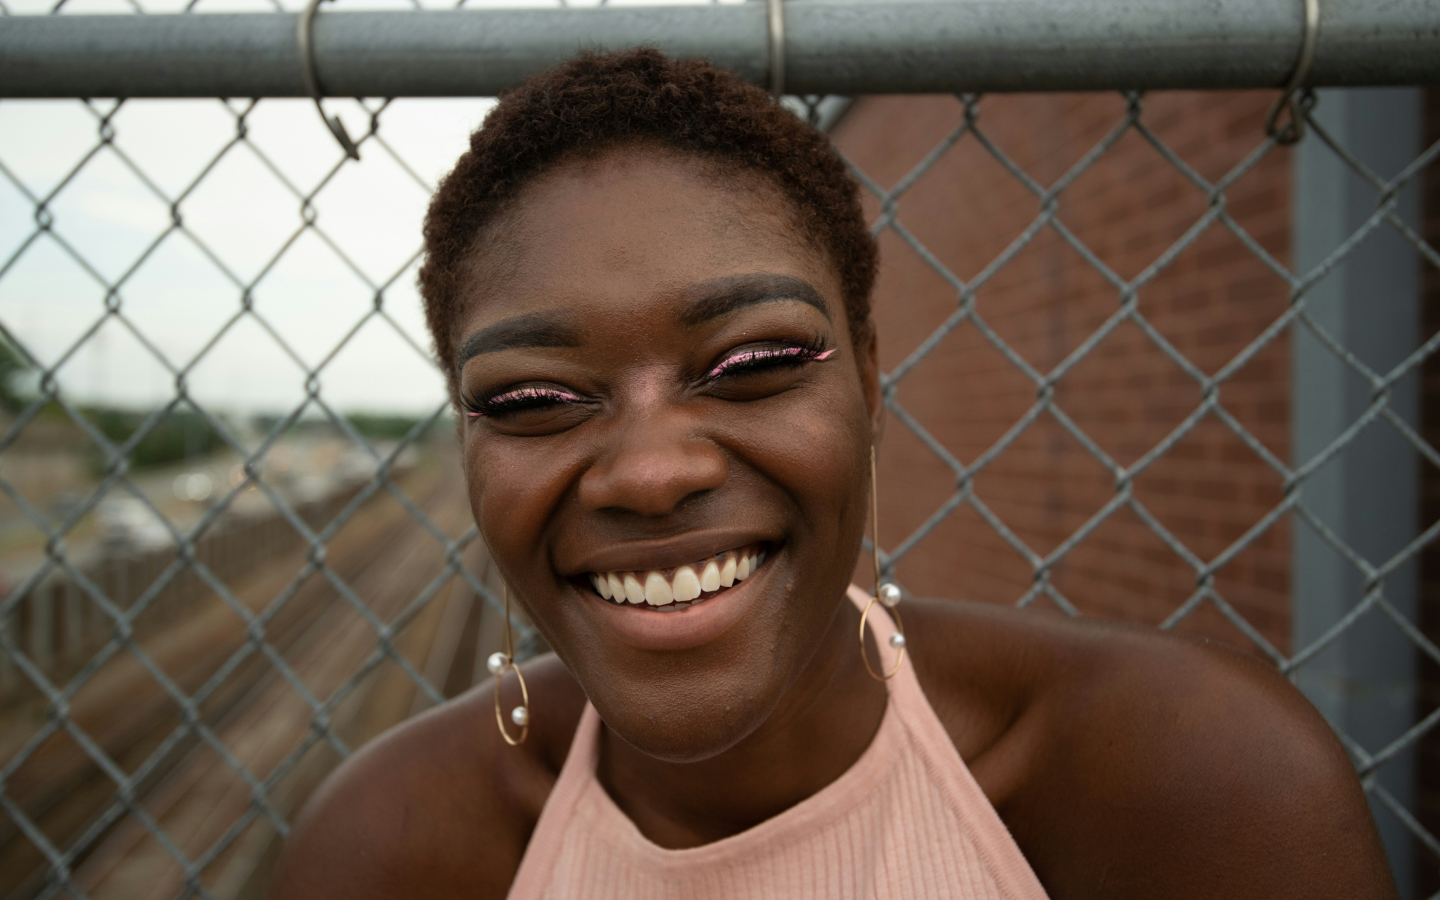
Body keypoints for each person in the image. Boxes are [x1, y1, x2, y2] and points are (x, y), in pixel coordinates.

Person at [269, 49, 1395, 900]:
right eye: (530, 400)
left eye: (752, 365)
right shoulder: (385, 850)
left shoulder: (1198, 795)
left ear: (868, 377)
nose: (653, 472)